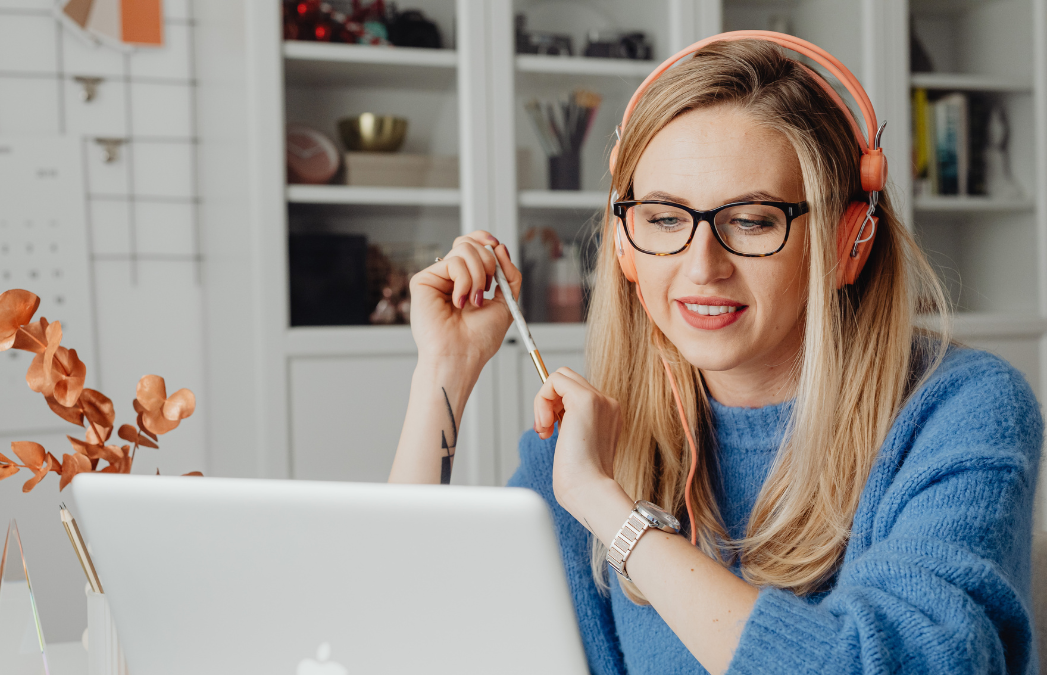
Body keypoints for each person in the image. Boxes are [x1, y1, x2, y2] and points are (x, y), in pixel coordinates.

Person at [389, 37, 1042, 675]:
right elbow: (403, 634)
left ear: (849, 243)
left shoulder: (963, 409)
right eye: (665, 218)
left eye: (752, 220)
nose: (703, 267)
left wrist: (611, 511)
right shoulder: (585, 444)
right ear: (625, 244)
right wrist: (444, 369)